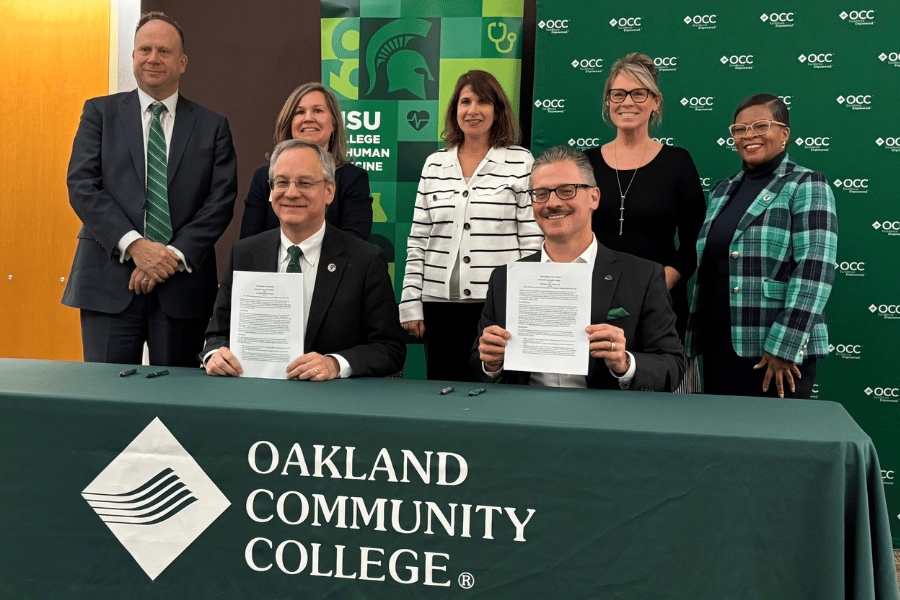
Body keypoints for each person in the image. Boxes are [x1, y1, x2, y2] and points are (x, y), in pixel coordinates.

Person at [62, 12, 238, 367]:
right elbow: (82, 186)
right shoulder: (99, 113)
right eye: (145, 49)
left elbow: (220, 202)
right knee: (106, 400)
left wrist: (168, 257)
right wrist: (136, 246)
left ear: (183, 62)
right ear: (133, 56)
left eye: (164, 51)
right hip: (108, 283)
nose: (153, 58)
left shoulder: (212, 126)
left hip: (182, 288)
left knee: (177, 406)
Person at [472, 146, 684, 391]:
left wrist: (625, 363)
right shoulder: (505, 279)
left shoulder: (642, 276)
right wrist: (491, 364)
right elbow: (478, 367)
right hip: (525, 419)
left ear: (594, 197)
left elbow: (672, 366)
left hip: (603, 421)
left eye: (566, 191)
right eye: (540, 193)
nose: (552, 203)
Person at [202, 139, 405, 380]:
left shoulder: (365, 260)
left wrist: (335, 364)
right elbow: (217, 334)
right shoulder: (245, 254)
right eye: (282, 182)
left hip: (330, 404)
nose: (291, 192)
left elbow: (389, 349)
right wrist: (214, 355)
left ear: (329, 191)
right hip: (254, 398)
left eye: (305, 183)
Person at [686, 94, 838, 399]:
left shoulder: (806, 184)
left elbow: (815, 271)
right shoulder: (722, 190)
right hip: (719, 347)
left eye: (760, 125)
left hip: (775, 355)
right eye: (739, 129)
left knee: (778, 444)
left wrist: (784, 346)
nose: (749, 135)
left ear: (784, 133)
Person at [400, 70, 543, 382]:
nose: (473, 110)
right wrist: (411, 301)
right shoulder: (434, 164)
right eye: (465, 102)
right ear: (455, 111)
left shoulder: (521, 162)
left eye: (483, 101)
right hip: (438, 308)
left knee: (497, 395)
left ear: (498, 110)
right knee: (442, 397)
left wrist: (522, 302)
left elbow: (532, 241)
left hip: (496, 307)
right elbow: (418, 240)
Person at [584, 53, 705, 390]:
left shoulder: (678, 162)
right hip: (595, 304)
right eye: (618, 93)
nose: (627, 102)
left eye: (639, 93)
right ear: (608, 101)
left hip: (659, 305)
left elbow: (697, 239)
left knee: (661, 399)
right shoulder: (586, 163)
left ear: (655, 102)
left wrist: (655, 284)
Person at [240, 82, 372, 241]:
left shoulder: (353, 179)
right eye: (299, 112)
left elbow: (355, 246)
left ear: (334, 123)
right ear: (289, 123)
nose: (308, 118)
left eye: (318, 110)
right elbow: (249, 247)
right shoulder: (263, 177)